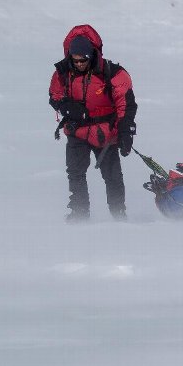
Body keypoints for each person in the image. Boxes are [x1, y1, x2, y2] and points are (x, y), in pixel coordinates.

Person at [49, 25, 137, 222]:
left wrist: (125, 132)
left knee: (113, 177)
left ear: (92, 55)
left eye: (83, 60)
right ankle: (79, 215)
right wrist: (67, 106)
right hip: (76, 131)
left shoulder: (112, 73)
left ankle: (118, 215)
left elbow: (126, 103)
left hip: (106, 134)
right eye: (75, 60)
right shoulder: (62, 73)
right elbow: (55, 94)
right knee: (75, 173)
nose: (79, 63)